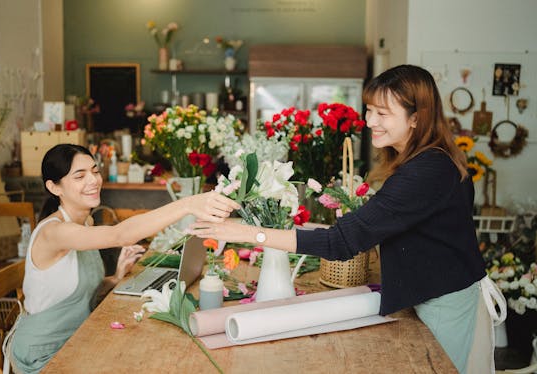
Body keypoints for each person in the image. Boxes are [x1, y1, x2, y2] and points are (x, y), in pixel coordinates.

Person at [190, 65, 502, 373]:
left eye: (383, 113)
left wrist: (248, 233)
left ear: (416, 118)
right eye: (369, 111)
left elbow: (340, 242)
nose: (370, 122)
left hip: (446, 302)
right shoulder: (424, 162)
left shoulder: (426, 172)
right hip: (430, 294)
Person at [8, 144, 239, 373]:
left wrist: (116, 278)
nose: (93, 180)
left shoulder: (85, 223)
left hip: (78, 340)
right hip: (43, 355)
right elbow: (120, 235)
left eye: (95, 171)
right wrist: (188, 204)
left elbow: (71, 293)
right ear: (54, 187)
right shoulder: (54, 232)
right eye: (80, 176)